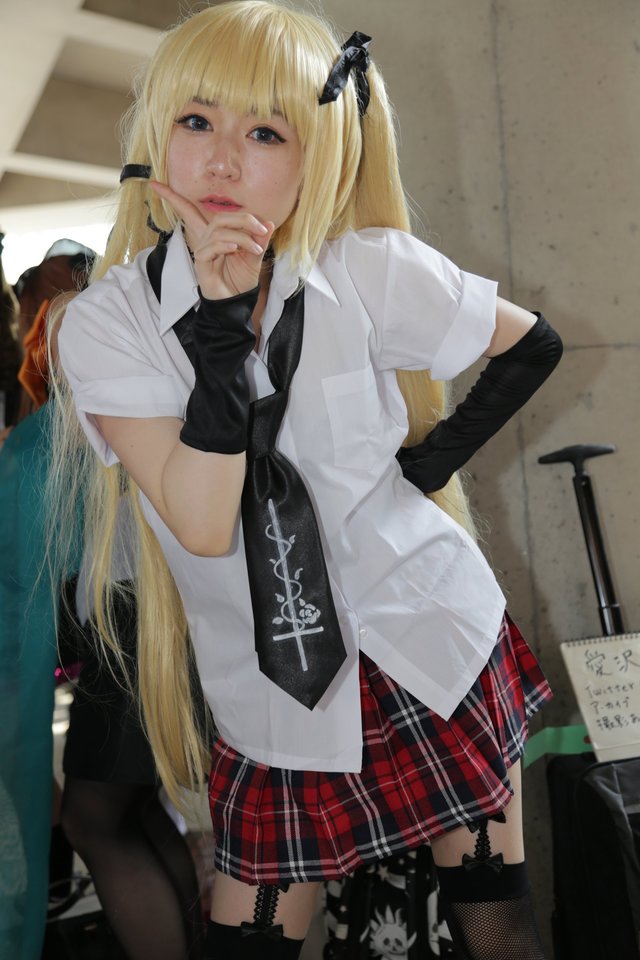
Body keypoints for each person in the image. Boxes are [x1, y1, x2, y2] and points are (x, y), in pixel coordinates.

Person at [50, 3, 563, 958]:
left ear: (317, 156)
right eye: (196, 120)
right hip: (275, 698)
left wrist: (424, 469)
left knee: (498, 931)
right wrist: (216, 334)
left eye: (266, 133)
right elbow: (204, 522)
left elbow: (534, 345)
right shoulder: (108, 324)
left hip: (428, 643)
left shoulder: (365, 271)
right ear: (159, 132)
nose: (221, 159)